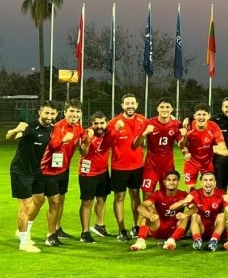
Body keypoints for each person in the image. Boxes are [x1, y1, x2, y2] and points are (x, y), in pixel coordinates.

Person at [8, 101, 57, 252]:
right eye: (46, 113)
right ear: (40, 113)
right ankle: (23, 243)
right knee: (25, 205)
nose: (49, 116)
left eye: (52, 113)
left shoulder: (52, 129)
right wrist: (16, 130)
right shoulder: (30, 127)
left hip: (37, 171)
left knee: (40, 200)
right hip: (21, 171)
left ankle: (24, 231)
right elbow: (9, 136)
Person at [40, 99, 84, 246]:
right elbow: (53, 145)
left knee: (61, 201)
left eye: (77, 111)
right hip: (49, 170)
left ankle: (57, 229)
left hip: (64, 170)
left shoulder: (78, 127)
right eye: (71, 111)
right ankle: (50, 235)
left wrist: (88, 134)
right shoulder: (58, 127)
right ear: (65, 112)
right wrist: (64, 140)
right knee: (54, 203)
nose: (74, 114)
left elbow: (83, 137)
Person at [108, 93, 148, 241]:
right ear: (122, 105)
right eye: (127, 103)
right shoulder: (114, 122)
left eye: (132, 103)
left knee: (135, 195)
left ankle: (136, 226)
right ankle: (121, 230)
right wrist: (116, 130)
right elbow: (107, 142)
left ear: (136, 105)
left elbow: (158, 123)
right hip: (119, 167)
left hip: (137, 166)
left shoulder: (142, 120)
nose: (130, 106)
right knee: (119, 197)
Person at [170, 172, 228, 252]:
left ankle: (213, 242)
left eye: (211, 180)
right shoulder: (195, 194)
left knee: (221, 215)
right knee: (194, 216)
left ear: (215, 183)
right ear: (201, 183)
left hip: (215, 228)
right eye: (205, 180)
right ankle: (197, 241)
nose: (208, 182)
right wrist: (185, 201)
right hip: (201, 228)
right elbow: (171, 208)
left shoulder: (221, 194)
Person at [134, 97, 185, 199]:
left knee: (167, 195)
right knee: (147, 194)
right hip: (151, 167)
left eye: (167, 107)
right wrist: (145, 133)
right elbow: (136, 144)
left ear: (172, 109)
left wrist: (184, 136)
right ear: (157, 108)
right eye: (162, 107)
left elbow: (181, 146)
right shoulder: (149, 123)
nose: (164, 109)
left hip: (168, 167)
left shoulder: (176, 124)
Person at [77, 111, 115, 243]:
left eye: (102, 123)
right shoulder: (87, 133)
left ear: (106, 123)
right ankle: (85, 232)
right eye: (96, 123)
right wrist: (87, 141)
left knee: (102, 199)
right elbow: (83, 152)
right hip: (88, 173)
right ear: (91, 124)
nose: (99, 126)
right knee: (87, 202)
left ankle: (99, 226)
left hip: (103, 172)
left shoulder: (108, 133)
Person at [130, 170, 191, 251]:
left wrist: (186, 214)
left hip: (176, 229)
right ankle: (141, 241)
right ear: (164, 182)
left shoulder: (184, 195)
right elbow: (140, 207)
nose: (171, 182)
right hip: (158, 228)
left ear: (178, 182)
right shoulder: (158, 194)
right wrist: (150, 215)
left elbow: (194, 208)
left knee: (186, 216)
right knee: (148, 209)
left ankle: (172, 241)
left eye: (174, 180)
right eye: (169, 180)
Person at [181, 103, 228, 192]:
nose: (201, 117)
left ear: (209, 116)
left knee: (209, 190)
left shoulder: (213, 127)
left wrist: (215, 149)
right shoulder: (188, 126)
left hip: (207, 164)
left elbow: (225, 151)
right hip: (191, 164)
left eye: (204, 114)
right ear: (194, 116)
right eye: (199, 114)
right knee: (191, 191)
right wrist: (185, 152)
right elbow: (182, 146)